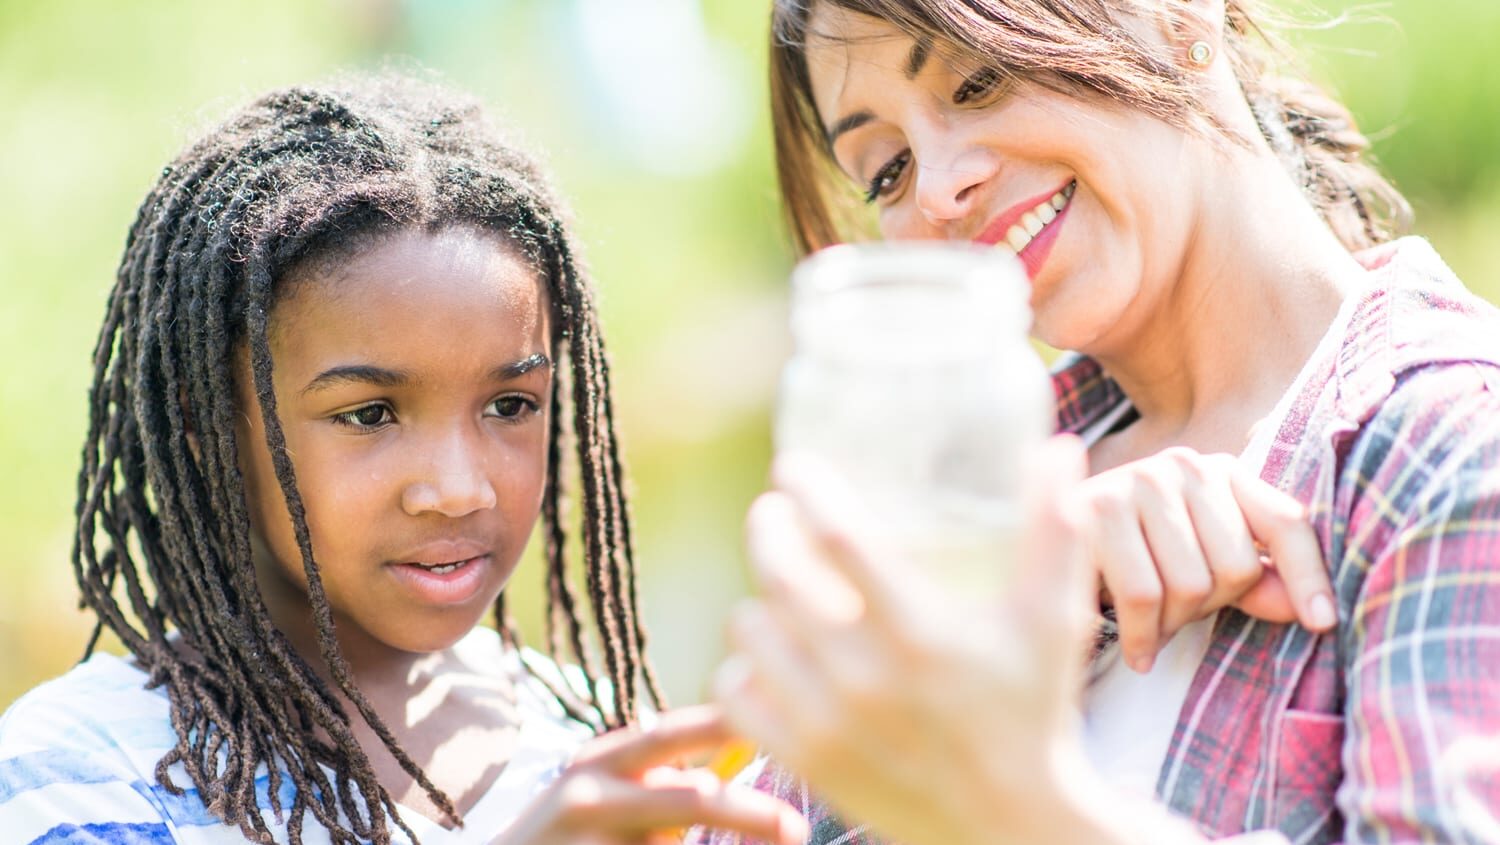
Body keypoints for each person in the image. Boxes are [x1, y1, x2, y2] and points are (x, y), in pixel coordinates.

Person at [710, 0, 1500, 843]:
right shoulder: (979, 509)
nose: (938, 188)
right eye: (887, 168)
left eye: (979, 77)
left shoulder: (1446, 443)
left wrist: (1026, 807)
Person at [0, 74, 808, 845]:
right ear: (208, 426)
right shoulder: (75, 774)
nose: (458, 489)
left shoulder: (590, 743)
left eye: (508, 406)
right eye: (369, 413)